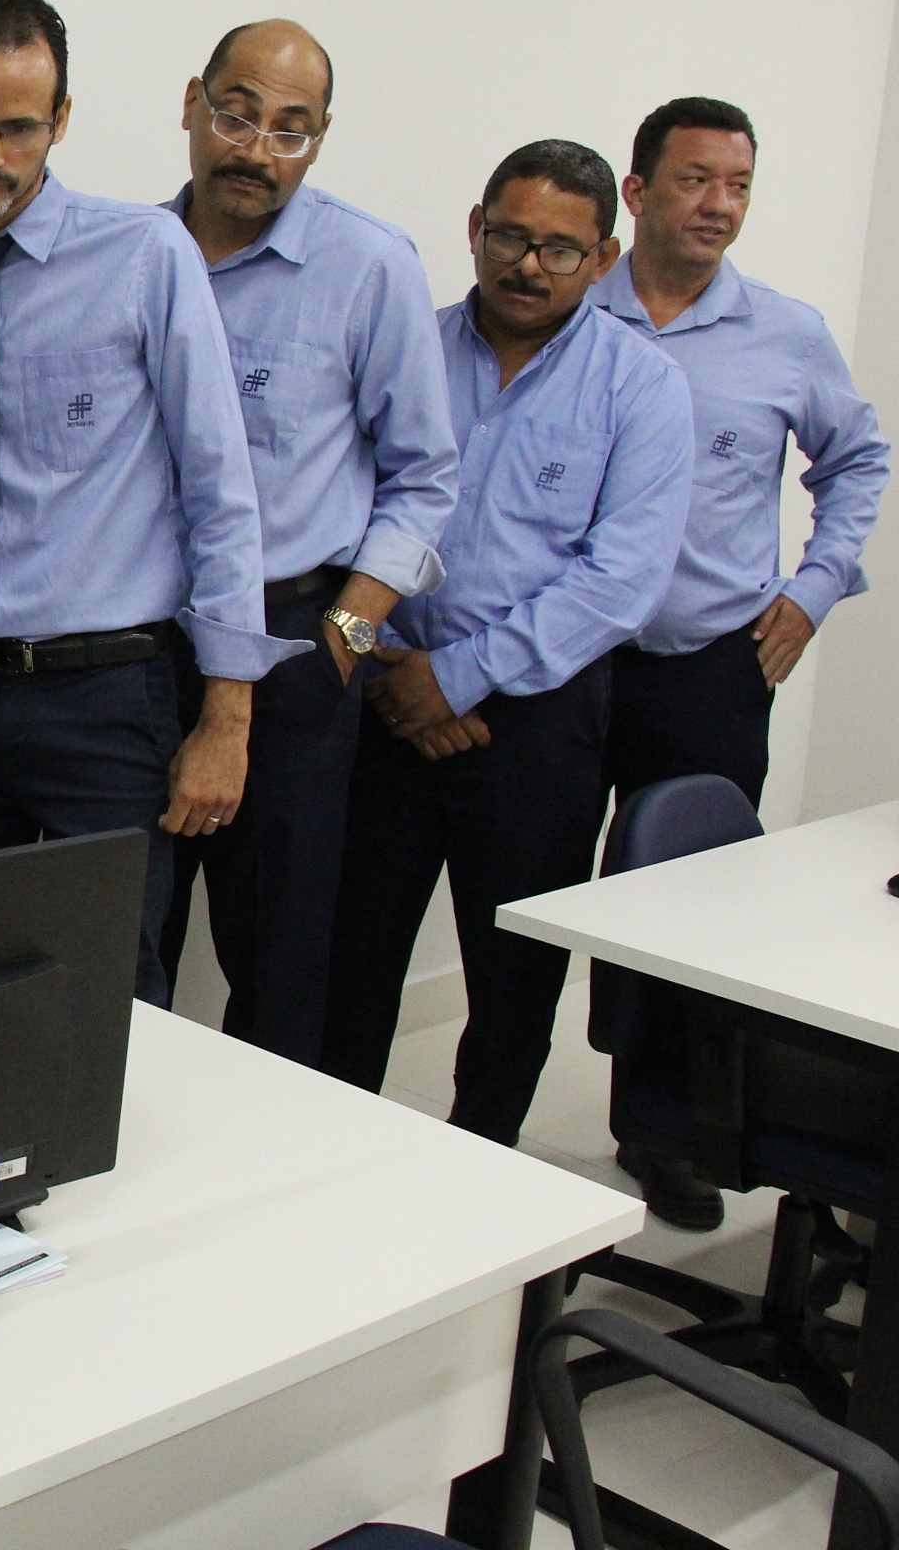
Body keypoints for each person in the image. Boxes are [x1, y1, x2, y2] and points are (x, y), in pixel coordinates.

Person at [0, 0, 302, 1002]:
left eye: (19, 128)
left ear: (60, 121)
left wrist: (227, 719)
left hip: (105, 699)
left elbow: (221, 491)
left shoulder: (146, 256)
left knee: (105, 985)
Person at [321, 140, 694, 1148]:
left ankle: (480, 1168)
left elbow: (621, 581)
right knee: (347, 964)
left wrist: (458, 678)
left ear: (605, 256)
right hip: (385, 700)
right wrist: (390, 667)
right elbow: (339, 517)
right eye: (513, 237)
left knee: (513, 980)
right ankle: (325, 1160)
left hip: (537, 725)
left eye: (562, 250)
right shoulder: (403, 348)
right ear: (476, 227)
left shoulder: (642, 389)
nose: (530, 265)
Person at [589, 97, 889, 1227]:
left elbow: (858, 461)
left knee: (689, 908)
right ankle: (490, 1121)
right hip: (570, 661)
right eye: (695, 181)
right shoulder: (577, 308)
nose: (718, 206)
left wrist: (813, 591)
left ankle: (660, 1133)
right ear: (639, 190)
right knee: (527, 893)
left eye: (739, 186)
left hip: (708, 664)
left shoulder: (786, 333)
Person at [153, 21, 458, 1066]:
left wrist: (347, 635)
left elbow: (425, 478)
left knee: (280, 953)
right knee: (127, 940)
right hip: (143, 644)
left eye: (291, 129)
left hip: (298, 642)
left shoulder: (368, 266)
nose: (256, 148)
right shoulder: (132, 255)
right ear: (192, 103)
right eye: (238, 113)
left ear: (320, 140)